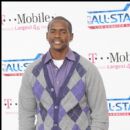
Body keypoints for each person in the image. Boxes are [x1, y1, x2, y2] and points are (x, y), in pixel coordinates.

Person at [19, 16, 109, 130]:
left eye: (63, 31)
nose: (57, 35)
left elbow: (100, 115)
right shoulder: (32, 71)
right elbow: (25, 114)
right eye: (53, 31)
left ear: (71, 36)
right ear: (47, 36)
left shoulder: (87, 69)